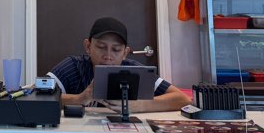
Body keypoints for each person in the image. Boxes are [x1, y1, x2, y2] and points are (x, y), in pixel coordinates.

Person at [47, 16, 189, 112]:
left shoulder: (134, 71)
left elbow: (182, 99)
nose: (108, 56)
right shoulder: (72, 67)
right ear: (88, 46)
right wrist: (79, 99)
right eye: (101, 47)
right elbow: (35, 97)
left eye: (116, 50)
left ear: (125, 53)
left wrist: (139, 105)